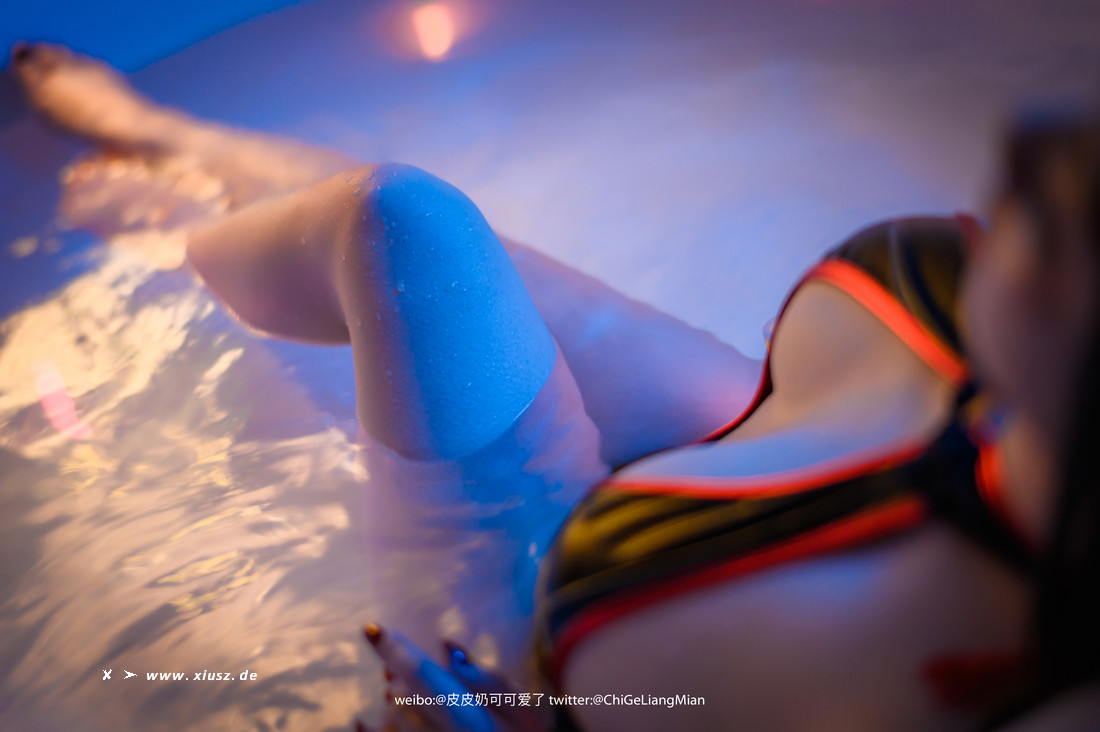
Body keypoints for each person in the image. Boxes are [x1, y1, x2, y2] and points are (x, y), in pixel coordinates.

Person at [10, 42, 1097, 731]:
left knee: (391, 226)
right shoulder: (979, 313)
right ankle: (172, 150)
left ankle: (165, 232)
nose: (1051, 158)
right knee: (409, 220)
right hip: (758, 434)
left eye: (1065, 236)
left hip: (529, 629)